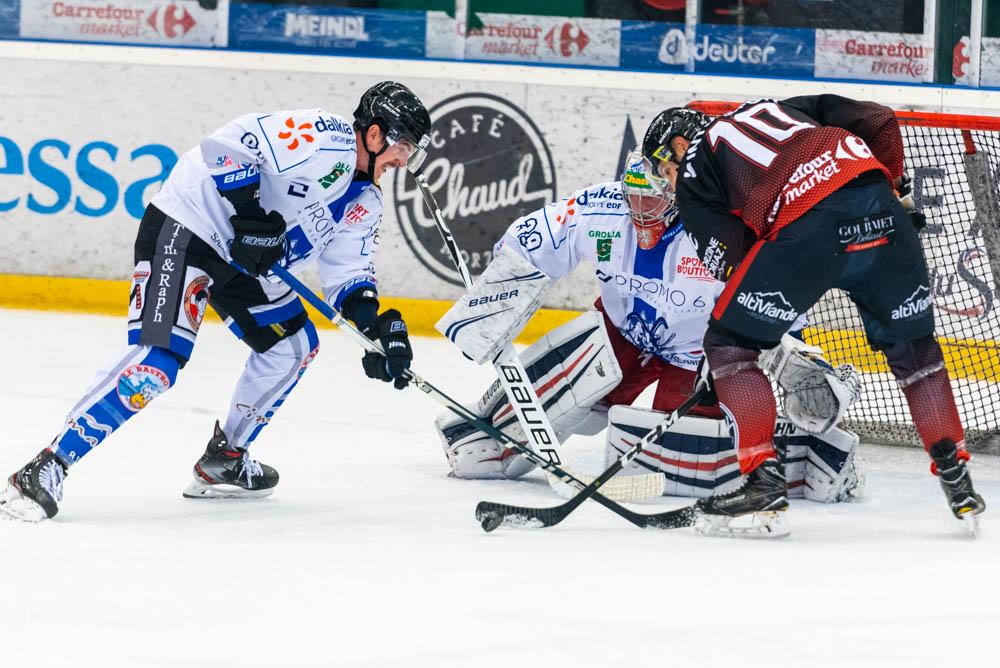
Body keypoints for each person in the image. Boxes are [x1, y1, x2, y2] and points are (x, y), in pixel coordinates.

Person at [0, 81, 431, 522]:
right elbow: (227, 146)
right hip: (189, 228)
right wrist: (249, 216)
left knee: (293, 345)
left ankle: (226, 458)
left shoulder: (365, 201)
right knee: (157, 364)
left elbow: (348, 277)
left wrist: (376, 327)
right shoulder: (325, 135)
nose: (403, 161)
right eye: (403, 148)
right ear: (374, 135)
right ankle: (46, 465)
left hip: (243, 263)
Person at [435, 150, 863, 507]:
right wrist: (497, 298)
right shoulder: (602, 209)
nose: (640, 209)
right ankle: (497, 429)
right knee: (504, 434)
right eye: (634, 196)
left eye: (652, 200)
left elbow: (773, 301)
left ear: (676, 198)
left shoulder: (719, 233)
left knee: (684, 457)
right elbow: (535, 237)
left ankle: (814, 453)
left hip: (698, 354)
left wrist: (796, 359)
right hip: (620, 333)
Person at [642, 97, 986, 528]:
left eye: (666, 172)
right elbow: (878, 118)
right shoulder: (778, 107)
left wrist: (731, 363)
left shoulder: (695, 166)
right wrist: (893, 188)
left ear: (679, 145)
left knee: (728, 345)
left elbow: (737, 263)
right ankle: (957, 478)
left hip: (811, 230)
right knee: (914, 352)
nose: (670, 183)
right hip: (883, 213)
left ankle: (763, 482)